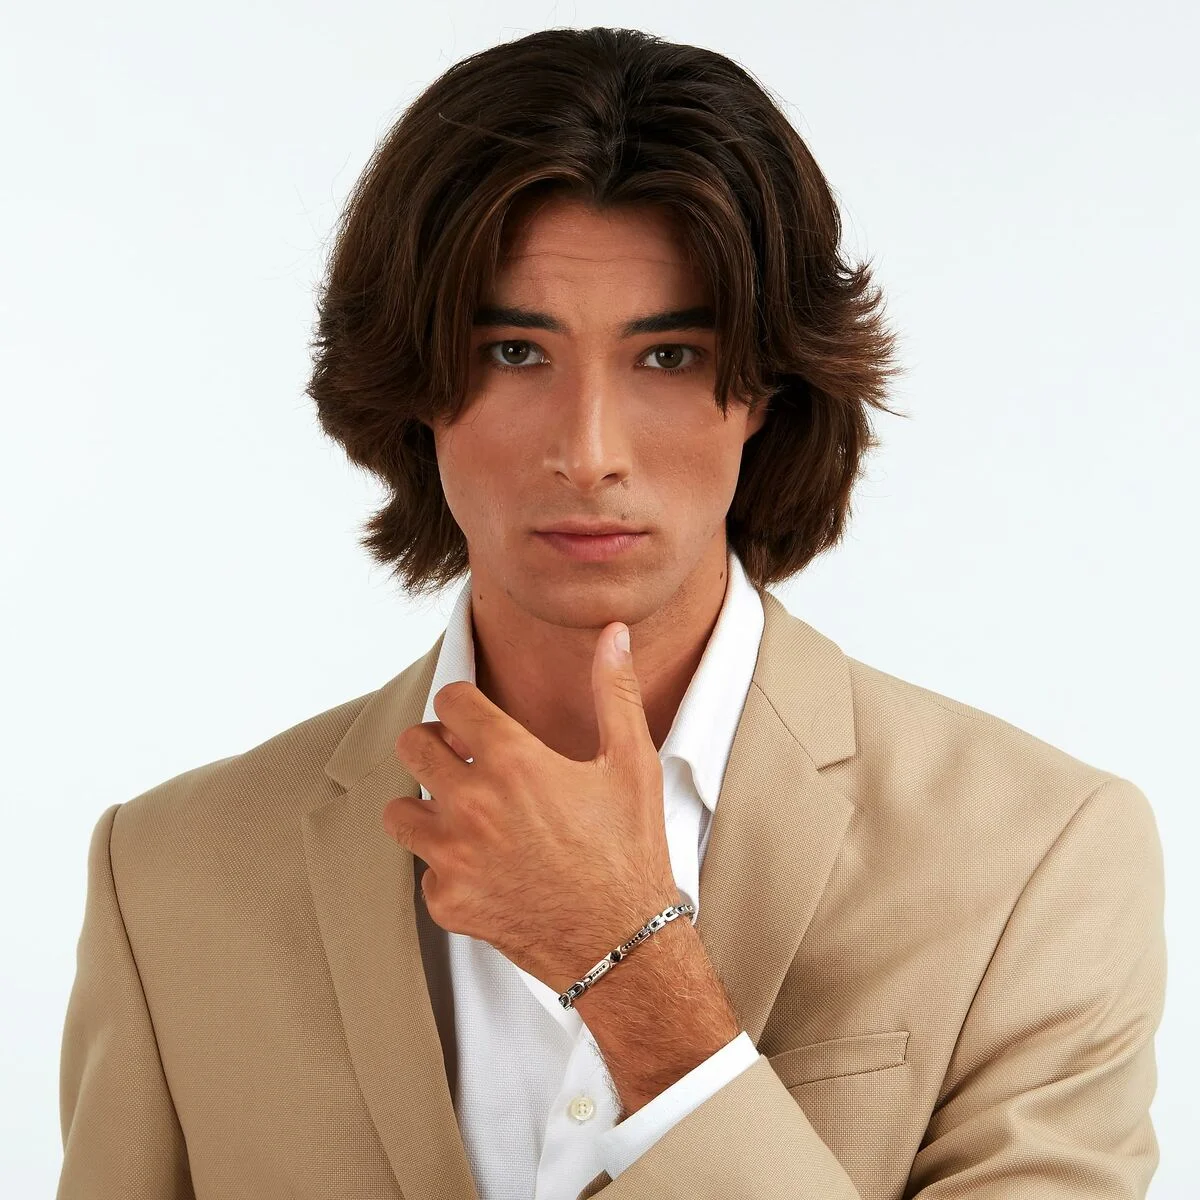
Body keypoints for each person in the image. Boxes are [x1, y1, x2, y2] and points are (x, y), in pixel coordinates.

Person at [57, 25, 1166, 1200]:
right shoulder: (169, 878)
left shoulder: (1038, 857)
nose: (588, 453)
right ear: (417, 384)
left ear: (769, 391)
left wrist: (632, 972)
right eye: (515, 350)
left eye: (669, 355)